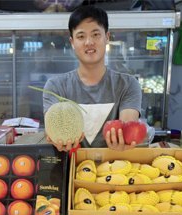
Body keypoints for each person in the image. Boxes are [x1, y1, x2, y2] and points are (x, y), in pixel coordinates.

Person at [43, 6, 142, 152]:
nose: (89, 42)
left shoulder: (128, 84)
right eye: (81, 36)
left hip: (113, 168)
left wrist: (124, 138)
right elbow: (52, 128)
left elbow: (125, 127)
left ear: (107, 37)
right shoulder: (55, 86)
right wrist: (56, 137)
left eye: (96, 34)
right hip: (70, 167)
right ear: (72, 42)